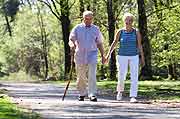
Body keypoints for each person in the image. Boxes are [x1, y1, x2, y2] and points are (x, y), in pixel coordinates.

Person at [105, 13, 145, 103]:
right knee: (121, 75)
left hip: (134, 56)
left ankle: (133, 96)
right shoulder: (120, 32)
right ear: (124, 21)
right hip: (122, 56)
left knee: (134, 76)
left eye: (130, 20)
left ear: (132, 22)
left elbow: (139, 46)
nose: (128, 22)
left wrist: (142, 58)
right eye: (126, 20)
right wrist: (108, 55)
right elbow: (114, 43)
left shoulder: (136, 32)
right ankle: (120, 91)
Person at [69, 10, 105, 102]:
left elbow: (100, 43)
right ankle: (82, 93)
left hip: (92, 54)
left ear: (92, 19)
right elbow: (71, 39)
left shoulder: (96, 29)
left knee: (92, 74)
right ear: (83, 18)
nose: (88, 20)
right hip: (80, 54)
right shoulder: (77, 28)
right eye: (86, 19)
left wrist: (103, 55)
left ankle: (92, 94)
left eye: (90, 19)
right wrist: (72, 45)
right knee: (81, 75)